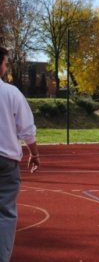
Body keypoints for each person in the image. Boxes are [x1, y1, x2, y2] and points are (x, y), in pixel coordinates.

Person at [0, 46, 40, 262]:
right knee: (5, 213)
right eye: (5, 63)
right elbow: (27, 129)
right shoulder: (11, 92)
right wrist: (34, 153)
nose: (6, 68)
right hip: (6, 160)